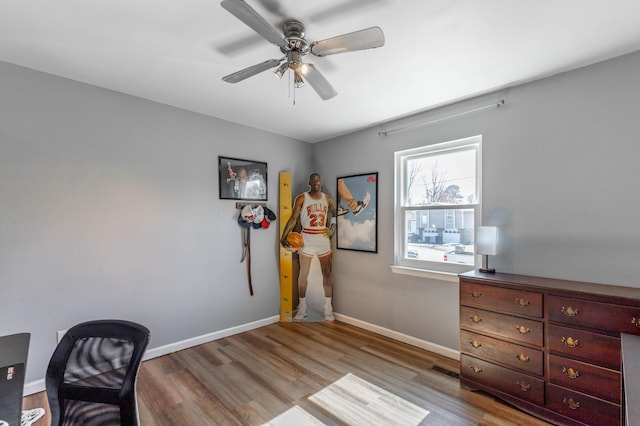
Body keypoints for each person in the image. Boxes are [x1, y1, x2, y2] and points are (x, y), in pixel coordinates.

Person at [281, 173, 336, 321]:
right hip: (306, 239)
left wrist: (333, 228)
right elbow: (293, 218)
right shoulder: (302, 198)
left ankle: (328, 307)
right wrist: (284, 235)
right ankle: (303, 307)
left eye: (318, 180)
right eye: (314, 180)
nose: (316, 182)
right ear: (309, 182)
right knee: (303, 274)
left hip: (323, 239)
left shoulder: (328, 199)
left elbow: (335, 213)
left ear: (321, 182)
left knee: (327, 273)